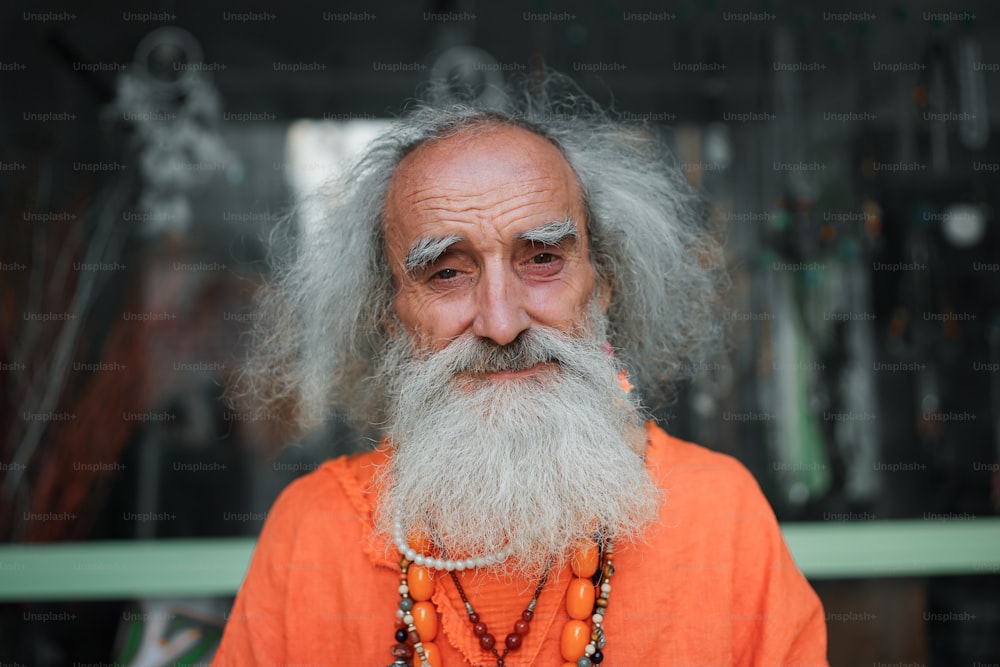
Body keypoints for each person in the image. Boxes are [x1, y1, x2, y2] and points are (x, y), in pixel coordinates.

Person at [212, 74, 828, 667]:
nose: (501, 323)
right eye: (447, 273)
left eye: (541, 258)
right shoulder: (312, 532)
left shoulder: (722, 516)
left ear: (605, 281)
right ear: (387, 313)